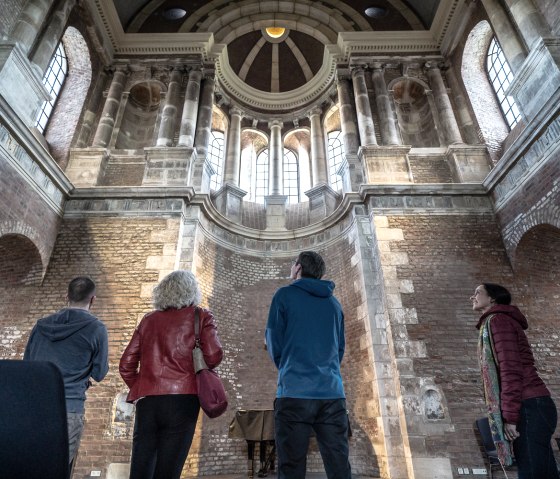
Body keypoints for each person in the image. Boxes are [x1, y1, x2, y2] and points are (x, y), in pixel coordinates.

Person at [119, 270, 223, 479]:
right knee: (168, 471)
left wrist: (142, 386)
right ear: (191, 291)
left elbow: (126, 364)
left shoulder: (148, 320)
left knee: (140, 469)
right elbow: (213, 357)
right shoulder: (201, 316)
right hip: (183, 401)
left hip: (148, 402)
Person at [265, 251, 351, 479]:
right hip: (332, 394)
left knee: (291, 467)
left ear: (299, 268)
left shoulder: (283, 295)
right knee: (339, 465)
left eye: (293, 264)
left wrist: (288, 368)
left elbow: (273, 340)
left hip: (294, 392)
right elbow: (339, 348)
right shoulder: (334, 304)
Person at [472, 283, 559, 479]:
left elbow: (510, 370)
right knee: (544, 472)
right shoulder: (497, 321)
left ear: (492, 299)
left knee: (532, 473)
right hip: (532, 405)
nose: (473, 297)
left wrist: (510, 417)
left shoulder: (498, 322)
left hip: (528, 406)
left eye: (478, 293)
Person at [24, 276, 109, 466]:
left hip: (35, 407)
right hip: (69, 407)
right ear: (93, 299)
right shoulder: (96, 329)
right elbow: (99, 373)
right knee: (57, 467)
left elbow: (27, 364)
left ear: (66, 296)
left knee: (28, 465)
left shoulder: (40, 326)